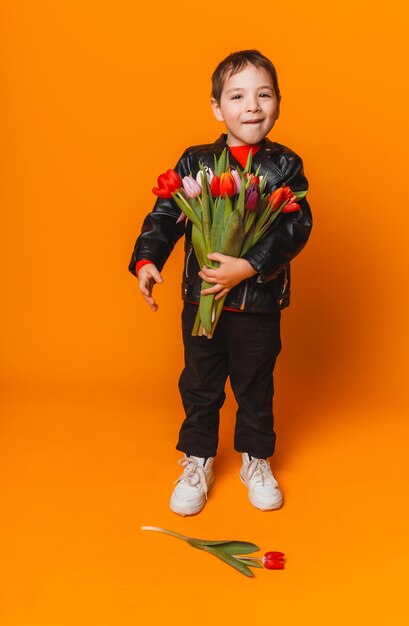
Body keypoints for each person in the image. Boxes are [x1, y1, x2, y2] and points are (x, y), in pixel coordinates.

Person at [128, 49, 312, 516]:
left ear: (278, 103)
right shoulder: (197, 162)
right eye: (238, 96)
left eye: (264, 94)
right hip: (202, 300)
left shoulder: (285, 166)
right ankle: (198, 458)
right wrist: (147, 258)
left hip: (259, 304)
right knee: (200, 383)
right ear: (217, 108)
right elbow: (166, 214)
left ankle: (256, 457)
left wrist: (248, 267)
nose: (252, 106)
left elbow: (295, 227)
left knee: (255, 383)